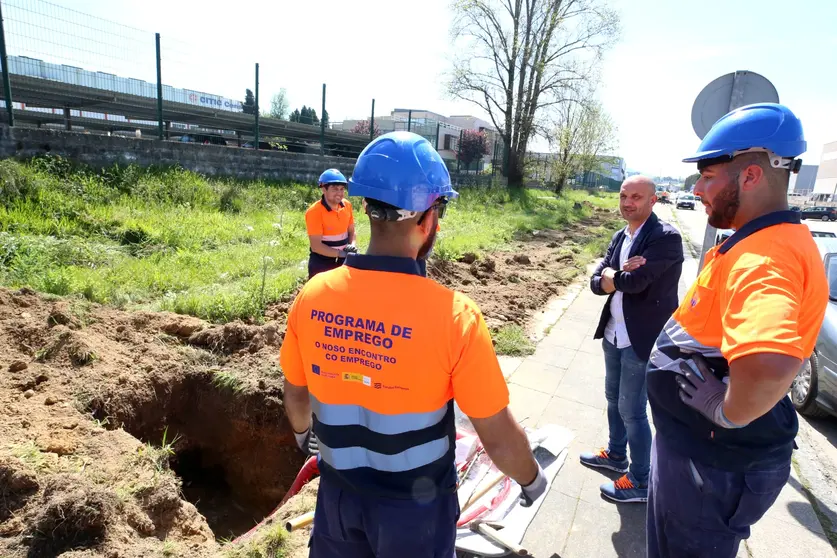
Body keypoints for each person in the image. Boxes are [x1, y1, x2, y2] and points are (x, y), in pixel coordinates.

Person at [279, 131, 548, 558]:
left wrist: (303, 437)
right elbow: (496, 435)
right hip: (415, 511)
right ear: (428, 219)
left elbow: (296, 395)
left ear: (365, 208)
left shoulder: (313, 295)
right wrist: (532, 479)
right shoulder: (455, 316)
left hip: (338, 498)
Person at [645, 103, 828, 557]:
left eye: (707, 175)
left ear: (749, 176)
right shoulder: (760, 242)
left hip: (710, 468)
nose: (697, 187)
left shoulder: (765, 258)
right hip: (698, 456)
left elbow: (769, 363)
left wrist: (726, 410)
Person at [583, 176, 684, 503]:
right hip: (614, 332)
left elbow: (637, 282)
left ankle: (641, 480)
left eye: (636, 197)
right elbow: (596, 281)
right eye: (624, 196)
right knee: (613, 398)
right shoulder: (619, 236)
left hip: (642, 339)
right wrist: (616, 275)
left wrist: (618, 276)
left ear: (653, 201)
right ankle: (616, 455)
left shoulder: (665, 238)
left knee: (633, 410)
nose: (627, 202)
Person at [304, 169, 357, 279]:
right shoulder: (314, 212)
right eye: (335, 189)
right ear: (324, 189)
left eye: (342, 189)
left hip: (344, 259)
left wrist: (352, 246)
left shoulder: (347, 206)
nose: (339, 193)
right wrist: (340, 253)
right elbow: (316, 246)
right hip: (322, 262)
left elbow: (352, 231)